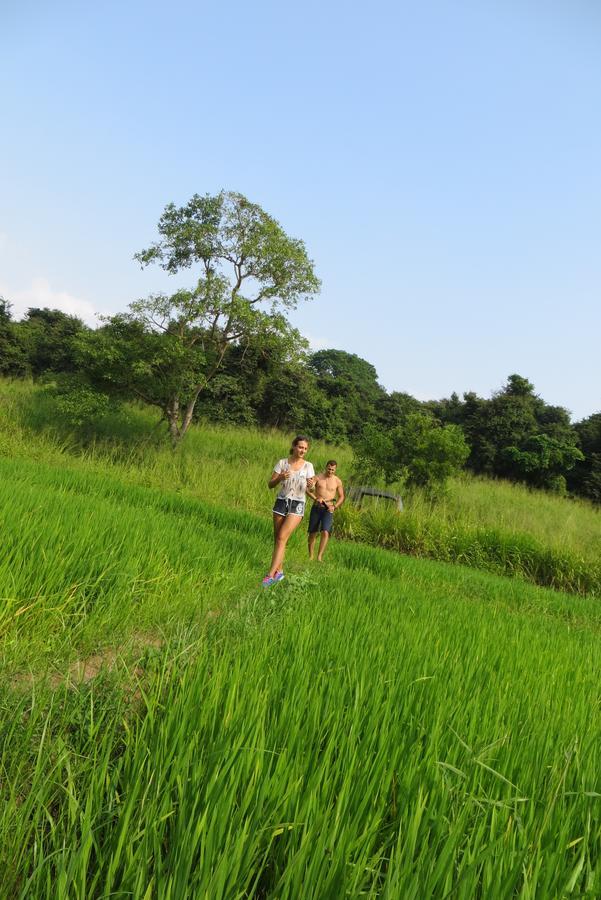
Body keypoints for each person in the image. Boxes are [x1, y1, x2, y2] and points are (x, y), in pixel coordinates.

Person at [263, 435, 316, 586]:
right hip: (281, 502)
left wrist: (311, 484)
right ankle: (279, 572)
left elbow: (311, 487)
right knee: (279, 539)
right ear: (293, 446)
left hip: (297, 504)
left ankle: (269, 575)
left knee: (281, 537)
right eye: (300, 447)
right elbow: (270, 485)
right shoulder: (282, 463)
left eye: (305, 448)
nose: (302, 450)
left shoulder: (308, 466)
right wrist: (280, 477)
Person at [307, 460, 345, 561]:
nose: (330, 471)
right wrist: (315, 497)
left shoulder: (337, 481)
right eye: (329, 469)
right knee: (312, 532)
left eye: (333, 470)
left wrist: (335, 506)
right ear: (326, 467)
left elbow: (341, 497)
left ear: (335, 469)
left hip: (328, 509)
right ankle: (311, 556)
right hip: (317, 507)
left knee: (325, 531)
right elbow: (308, 490)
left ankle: (319, 557)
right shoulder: (318, 477)